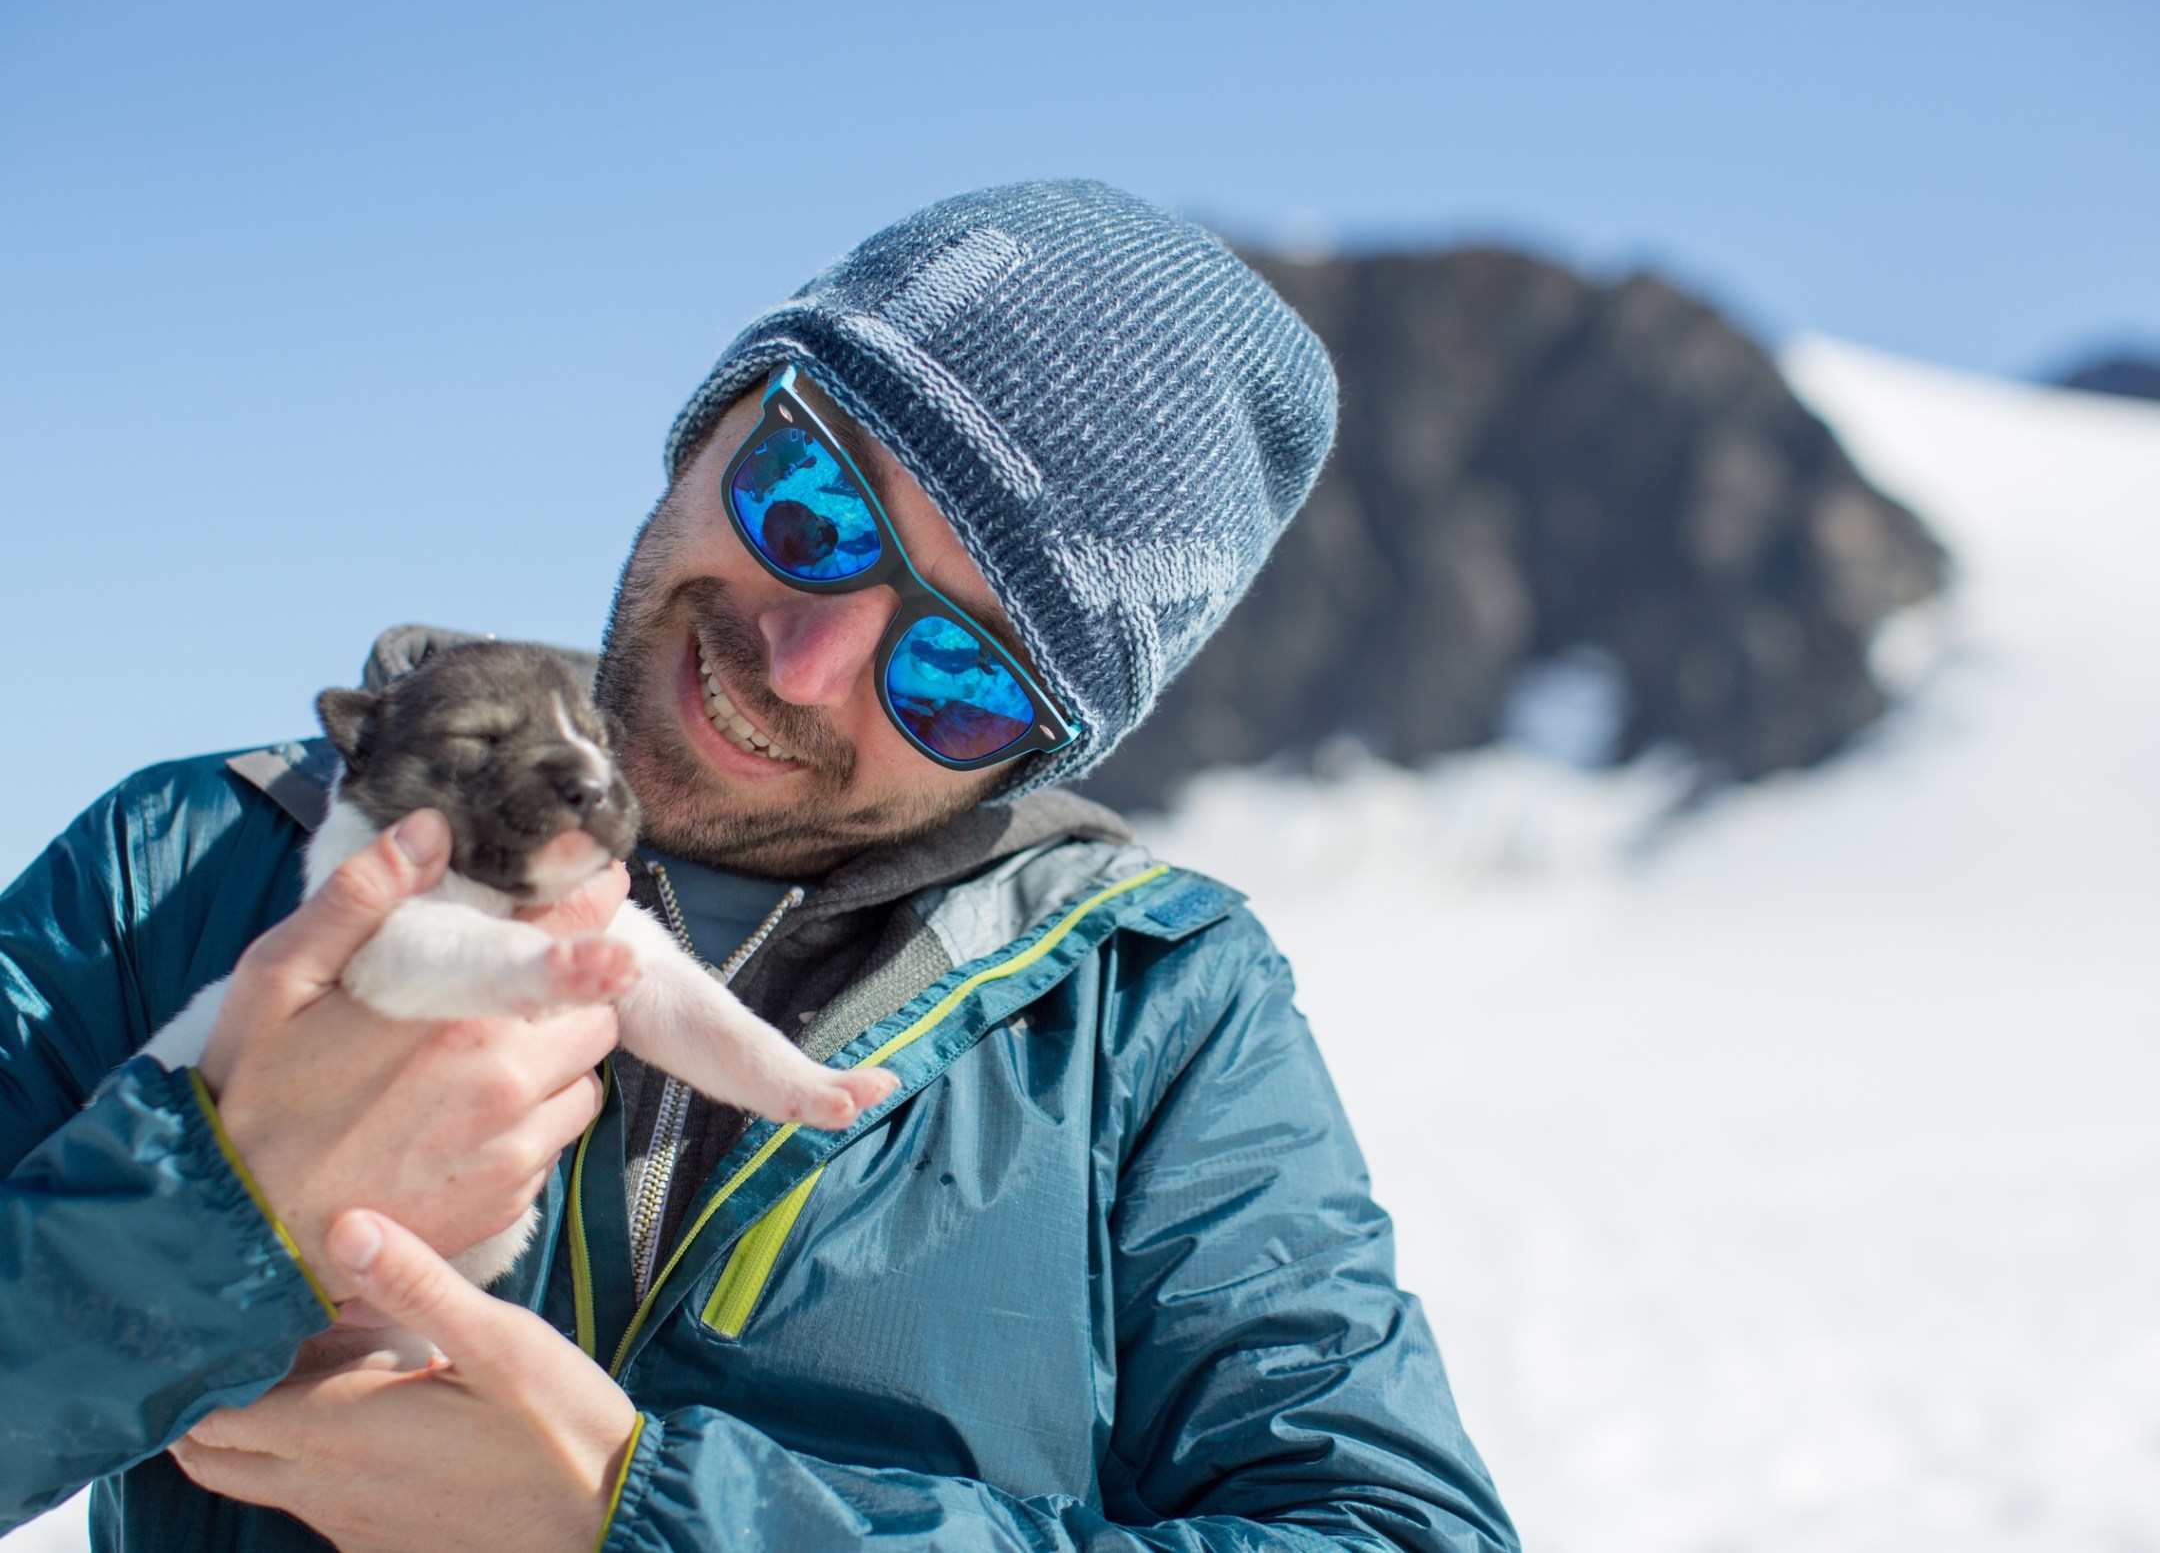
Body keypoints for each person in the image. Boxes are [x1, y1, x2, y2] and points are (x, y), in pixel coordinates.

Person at [0, 181, 1518, 1552]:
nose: (804, 663)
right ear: (716, 417)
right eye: (813, 504)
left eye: (959, 674)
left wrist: (639, 1516)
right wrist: (196, 1224)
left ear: (1028, 752)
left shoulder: (1148, 1009)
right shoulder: (198, 867)